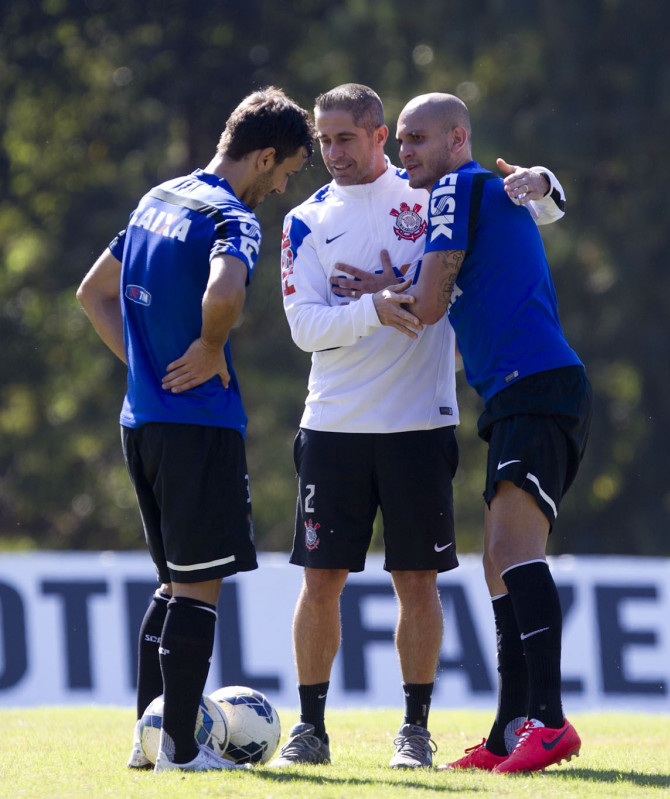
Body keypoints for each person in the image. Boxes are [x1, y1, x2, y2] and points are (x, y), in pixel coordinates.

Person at [267, 83, 567, 770]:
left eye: (346, 138)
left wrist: (544, 181)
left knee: (417, 582)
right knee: (321, 581)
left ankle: (414, 728)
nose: (332, 152)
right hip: (334, 423)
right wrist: (374, 307)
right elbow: (303, 327)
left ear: (378, 135)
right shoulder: (305, 221)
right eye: (323, 140)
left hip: (420, 423)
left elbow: (534, 211)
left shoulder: (433, 194)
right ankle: (309, 728)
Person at [75, 87, 314, 772]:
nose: (282, 185)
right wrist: (209, 348)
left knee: (171, 585)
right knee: (198, 589)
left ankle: (147, 741)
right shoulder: (231, 216)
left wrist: (146, 367)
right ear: (263, 156)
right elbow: (226, 292)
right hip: (197, 425)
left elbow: (93, 292)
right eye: (287, 170)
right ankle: (181, 749)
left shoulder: (159, 198)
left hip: (142, 420)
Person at [387, 92, 591, 774]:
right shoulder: (479, 192)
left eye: (417, 137)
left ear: (458, 137)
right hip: (518, 391)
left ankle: (551, 721)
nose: (403, 150)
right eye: (401, 140)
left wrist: (367, 299)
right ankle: (510, 729)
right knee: (496, 558)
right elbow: (544, 201)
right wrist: (542, 181)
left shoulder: (454, 190)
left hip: (535, 383)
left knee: (512, 548)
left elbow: (431, 300)